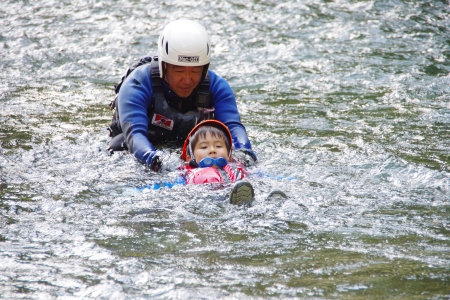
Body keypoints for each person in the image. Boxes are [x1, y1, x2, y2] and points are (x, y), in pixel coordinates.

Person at [108, 19, 257, 171]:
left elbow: (233, 127)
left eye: (195, 71)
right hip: (134, 147)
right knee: (117, 147)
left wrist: (244, 156)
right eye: (179, 71)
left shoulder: (218, 87)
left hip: (190, 148)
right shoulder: (137, 85)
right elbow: (135, 134)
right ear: (163, 66)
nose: (187, 80)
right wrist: (154, 162)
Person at [180, 120, 255, 205]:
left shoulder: (237, 169)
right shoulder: (185, 174)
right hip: (200, 199)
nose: (212, 150)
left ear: (229, 156)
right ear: (190, 159)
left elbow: (258, 176)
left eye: (218, 146)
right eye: (204, 147)